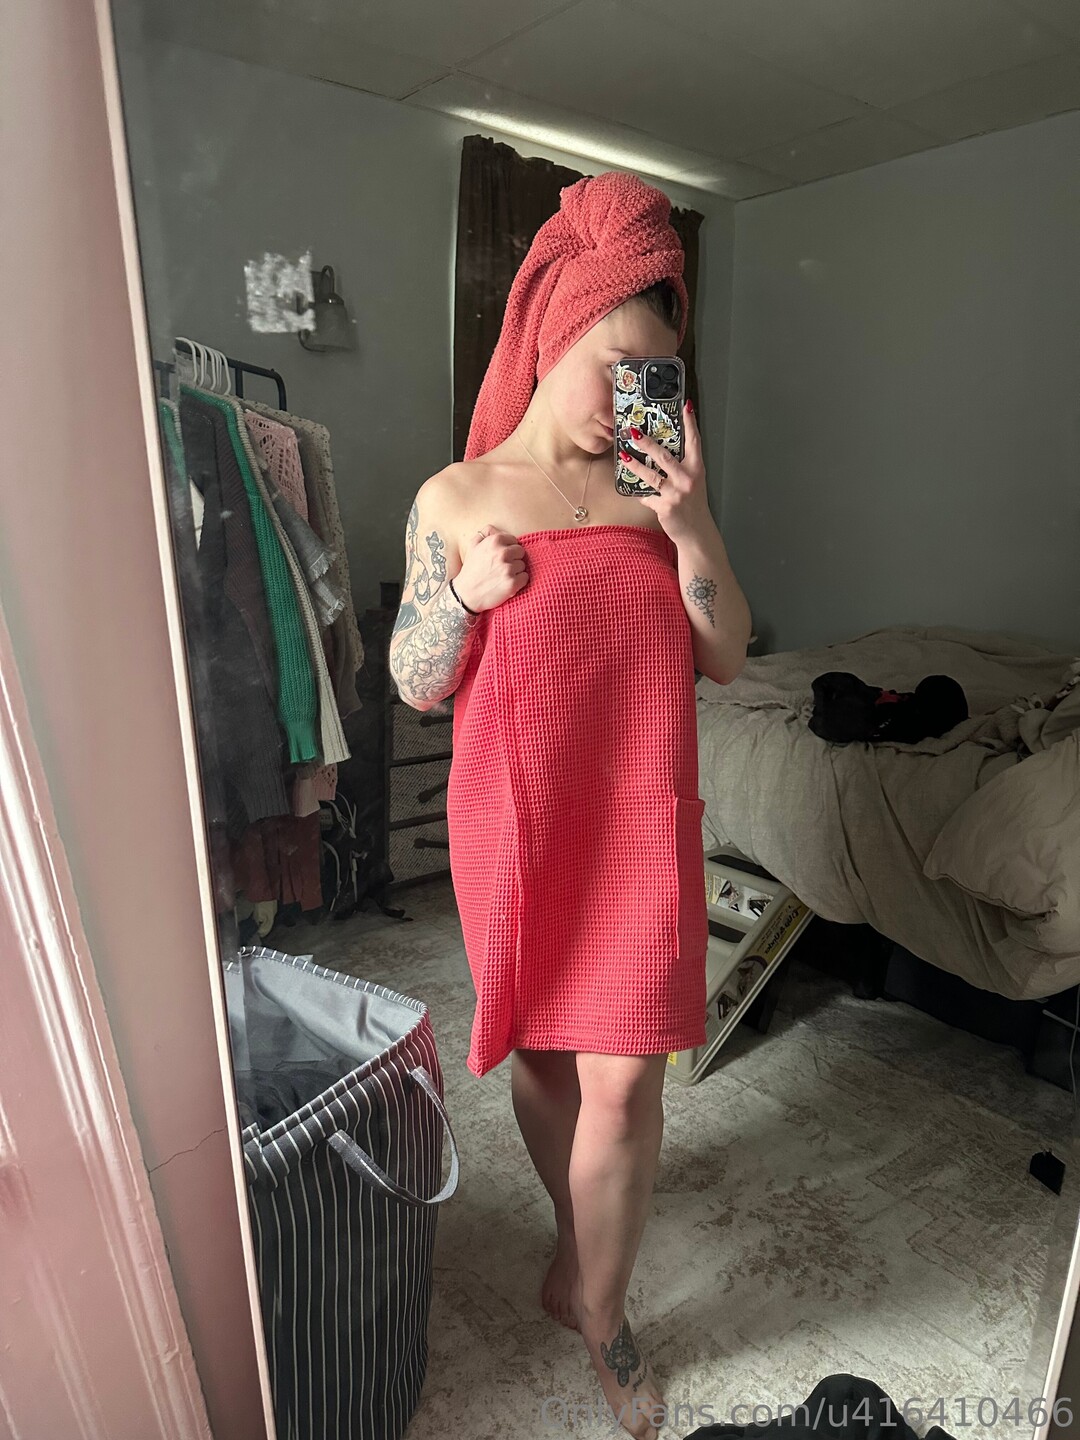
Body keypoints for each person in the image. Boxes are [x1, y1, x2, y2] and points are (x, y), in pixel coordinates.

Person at [390, 170, 753, 1440]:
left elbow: (727, 653)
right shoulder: (456, 495)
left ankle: (605, 1316)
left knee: (629, 1082)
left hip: (640, 820)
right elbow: (414, 680)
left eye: (658, 377)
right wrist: (461, 600)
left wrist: (693, 526)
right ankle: (574, 1242)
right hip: (518, 824)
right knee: (545, 1058)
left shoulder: (660, 497)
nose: (631, 401)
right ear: (554, 338)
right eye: (617, 369)